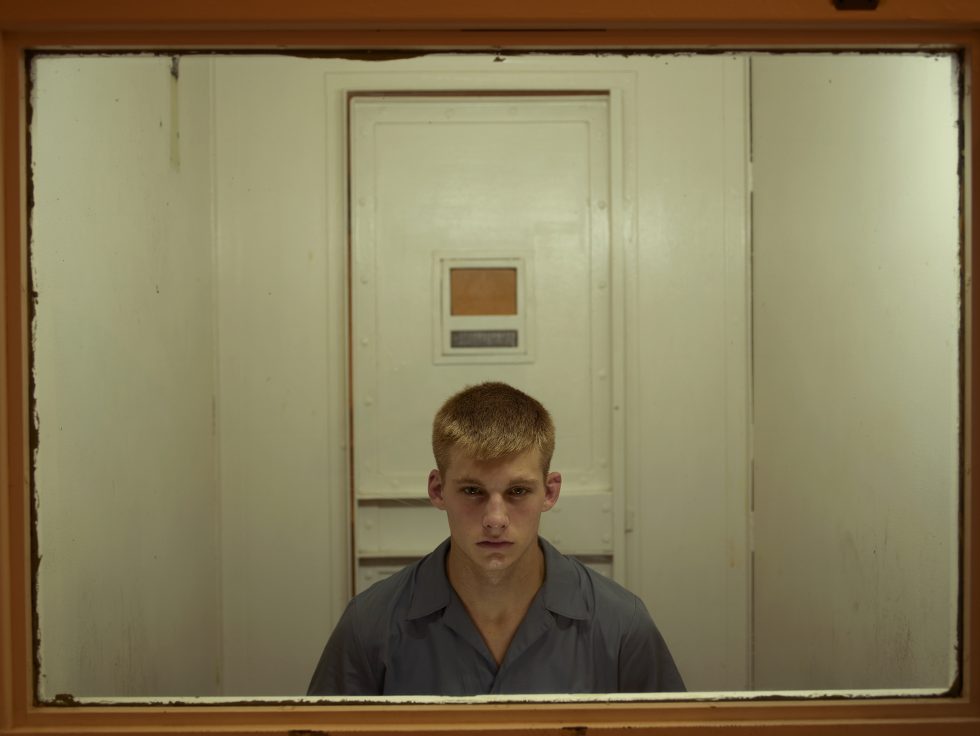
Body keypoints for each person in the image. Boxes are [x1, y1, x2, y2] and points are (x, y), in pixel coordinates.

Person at [307, 381, 685, 695]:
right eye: (473, 491)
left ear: (550, 492)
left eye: (518, 491)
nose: (495, 519)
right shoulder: (369, 625)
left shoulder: (620, 624)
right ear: (438, 490)